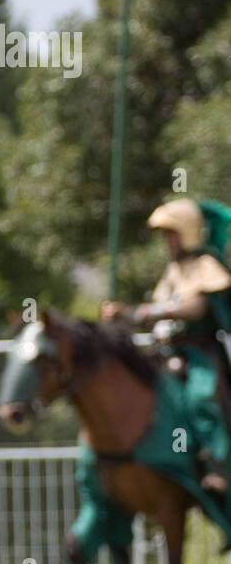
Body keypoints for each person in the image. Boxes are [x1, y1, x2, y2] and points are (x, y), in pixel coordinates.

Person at [103, 199, 231, 494]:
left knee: (201, 396)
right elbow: (155, 310)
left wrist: (143, 312)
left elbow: (194, 309)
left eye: (172, 233)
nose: (168, 241)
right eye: (165, 236)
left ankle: (218, 465)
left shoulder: (205, 265)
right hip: (168, 351)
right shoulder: (173, 271)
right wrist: (123, 314)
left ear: (187, 232)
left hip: (200, 352)